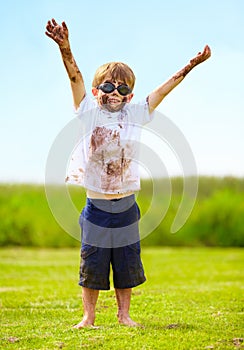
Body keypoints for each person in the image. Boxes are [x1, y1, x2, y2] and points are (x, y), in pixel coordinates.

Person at [45, 18, 211, 329]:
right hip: (95, 207)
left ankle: (124, 316)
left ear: (130, 95)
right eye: (108, 86)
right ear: (96, 91)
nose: (115, 92)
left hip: (125, 207)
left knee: (126, 264)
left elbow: (162, 91)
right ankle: (89, 317)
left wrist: (190, 66)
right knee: (91, 264)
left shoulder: (135, 115)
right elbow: (74, 76)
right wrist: (65, 47)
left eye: (122, 88)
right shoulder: (87, 111)